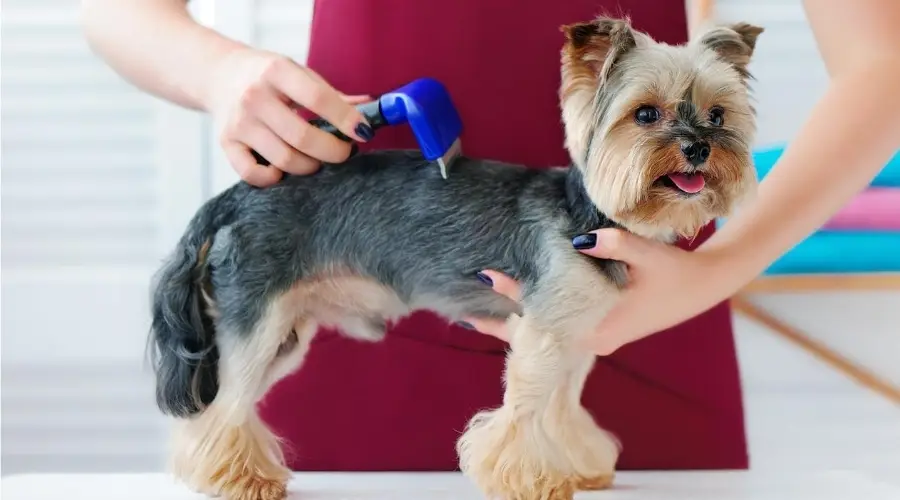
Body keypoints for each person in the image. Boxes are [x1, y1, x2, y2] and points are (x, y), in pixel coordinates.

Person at [80, 0, 899, 473]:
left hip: (648, 316)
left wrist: (720, 265)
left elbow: (884, 63)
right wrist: (219, 70)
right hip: (352, 323)